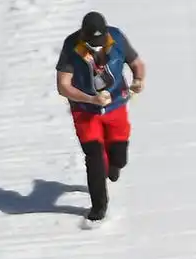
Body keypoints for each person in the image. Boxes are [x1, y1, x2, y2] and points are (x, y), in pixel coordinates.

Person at [55, 12, 145, 222]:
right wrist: (90, 99)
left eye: (100, 41)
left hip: (115, 105)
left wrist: (138, 79)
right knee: (94, 157)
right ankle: (99, 206)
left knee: (119, 156)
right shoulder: (71, 46)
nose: (96, 45)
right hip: (85, 110)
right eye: (92, 42)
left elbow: (137, 63)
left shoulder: (117, 38)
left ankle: (114, 164)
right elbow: (63, 85)